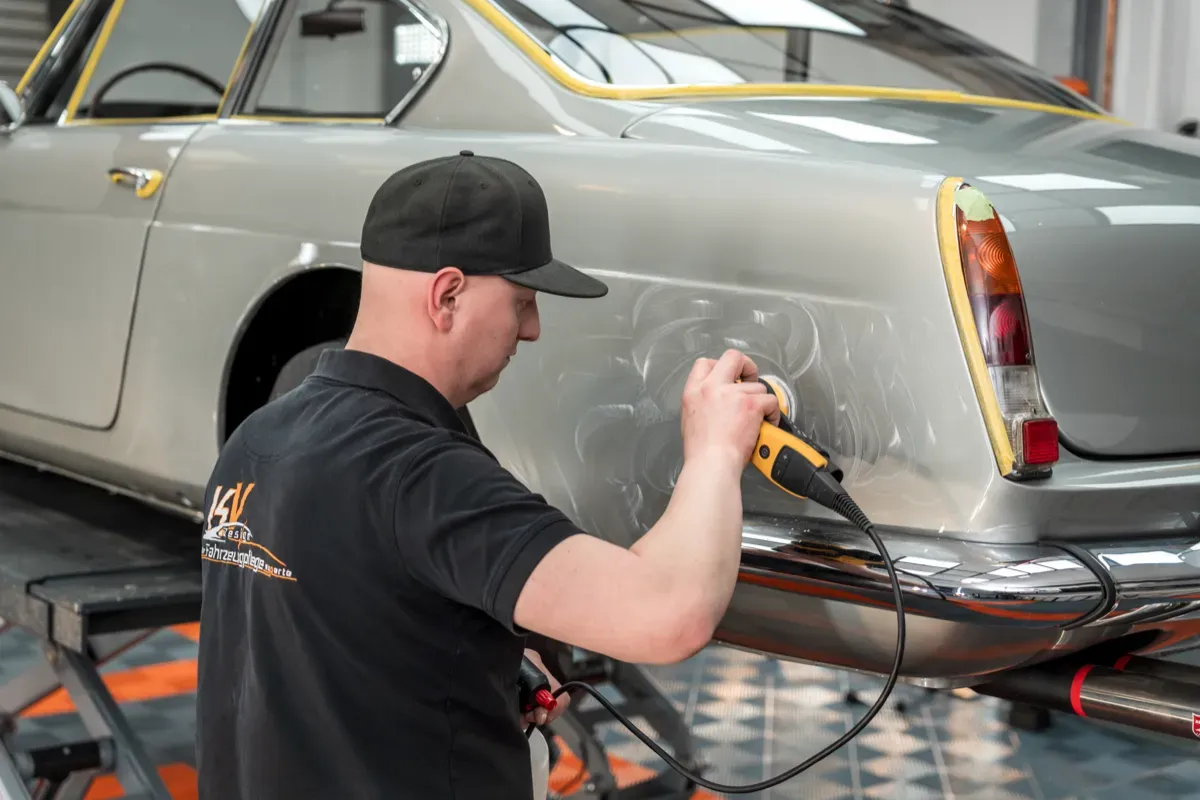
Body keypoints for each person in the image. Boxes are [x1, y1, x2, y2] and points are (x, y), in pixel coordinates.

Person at [195, 150, 780, 800]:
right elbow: (668, 614)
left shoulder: (256, 442)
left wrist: (481, 657)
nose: (532, 330)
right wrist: (714, 448)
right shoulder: (420, 472)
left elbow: (336, 634)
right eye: (523, 301)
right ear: (447, 295)